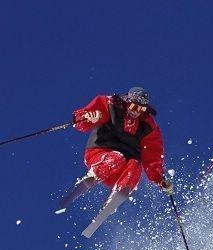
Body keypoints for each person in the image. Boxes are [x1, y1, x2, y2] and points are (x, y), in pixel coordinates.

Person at [57, 87, 173, 237]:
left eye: (141, 109)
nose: (136, 111)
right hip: (99, 153)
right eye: (133, 106)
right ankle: (91, 178)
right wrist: (87, 117)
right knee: (116, 158)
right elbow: (84, 117)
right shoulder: (110, 104)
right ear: (127, 101)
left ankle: (118, 194)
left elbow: (152, 157)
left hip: (121, 171)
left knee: (135, 166)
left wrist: (160, 179)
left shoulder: (148, 127)